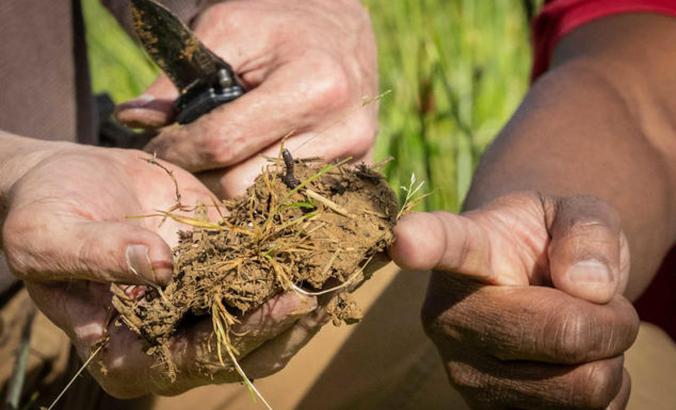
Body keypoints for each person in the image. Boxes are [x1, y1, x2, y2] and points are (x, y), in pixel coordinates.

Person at [0, 1, 674, 410]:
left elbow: (645, 80)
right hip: (46, 248)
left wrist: (306, 8)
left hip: (92, 273)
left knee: (634, 377)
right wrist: (13, 168)